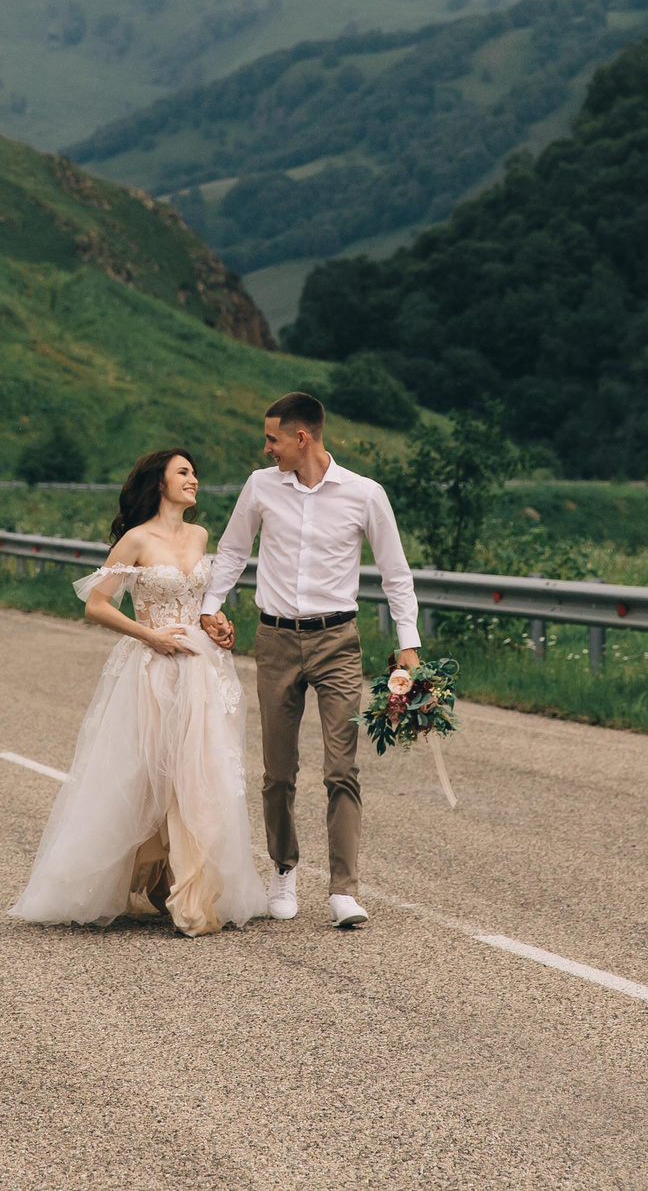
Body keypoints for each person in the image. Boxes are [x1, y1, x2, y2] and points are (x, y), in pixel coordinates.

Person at [9, 448, 270, 936]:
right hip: (151, 667)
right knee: (147, 774)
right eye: (184, 473)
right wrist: (147, 634)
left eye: (193, 472)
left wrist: (219, 628)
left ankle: (191, 892)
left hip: (200, 666)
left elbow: (202, 604)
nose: (195, 479)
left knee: (201, 775)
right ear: (159, 483)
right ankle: (148, 880)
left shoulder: (199, 535)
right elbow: (97, 604)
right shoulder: (135, 539)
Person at [200, 392, 420, 930]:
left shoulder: (365, 495)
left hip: (338, 642)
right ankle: (283, 868)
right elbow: (231, 551)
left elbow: (396, 573)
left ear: (303, 438)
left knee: (342, 766)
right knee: (278, 772)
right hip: (275, 641)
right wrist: (210, 605)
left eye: (272, 438)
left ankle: (344, 890)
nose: (266, 447)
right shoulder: (259, 486)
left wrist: (409, 641)